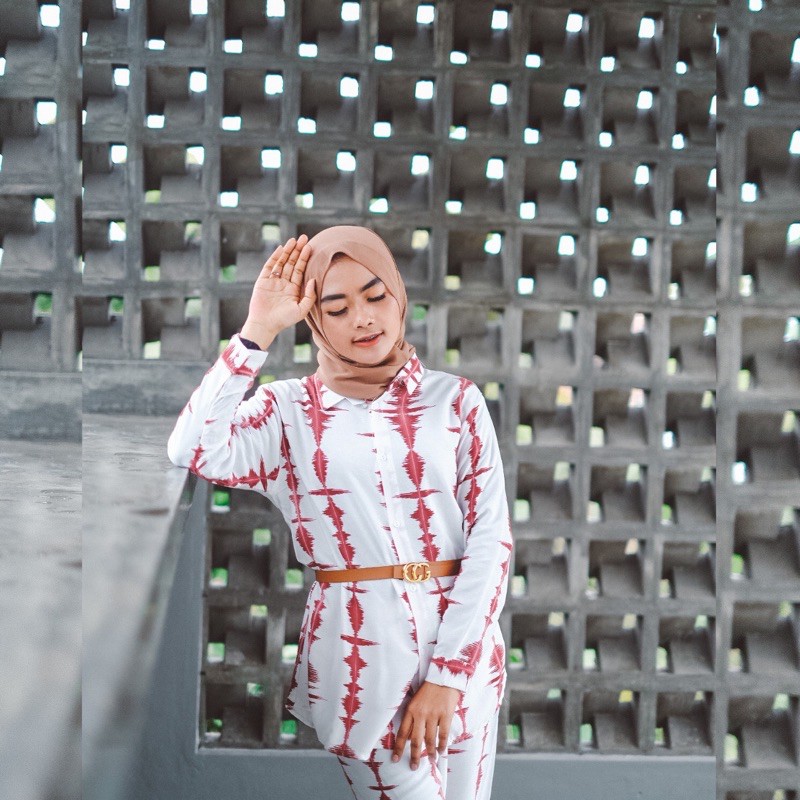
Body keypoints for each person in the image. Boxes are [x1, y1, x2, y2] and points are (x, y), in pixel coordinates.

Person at [167, 226, 514, 799]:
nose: (363, 319)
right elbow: (193, 448)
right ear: (316, 320)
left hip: (466, 664)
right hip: (361, 664)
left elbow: (490, 540)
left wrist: (449, 677)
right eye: (337, 307)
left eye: (375, 296)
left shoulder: (455, 400)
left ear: (398, 295)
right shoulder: (288, 411)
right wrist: (257, 331)